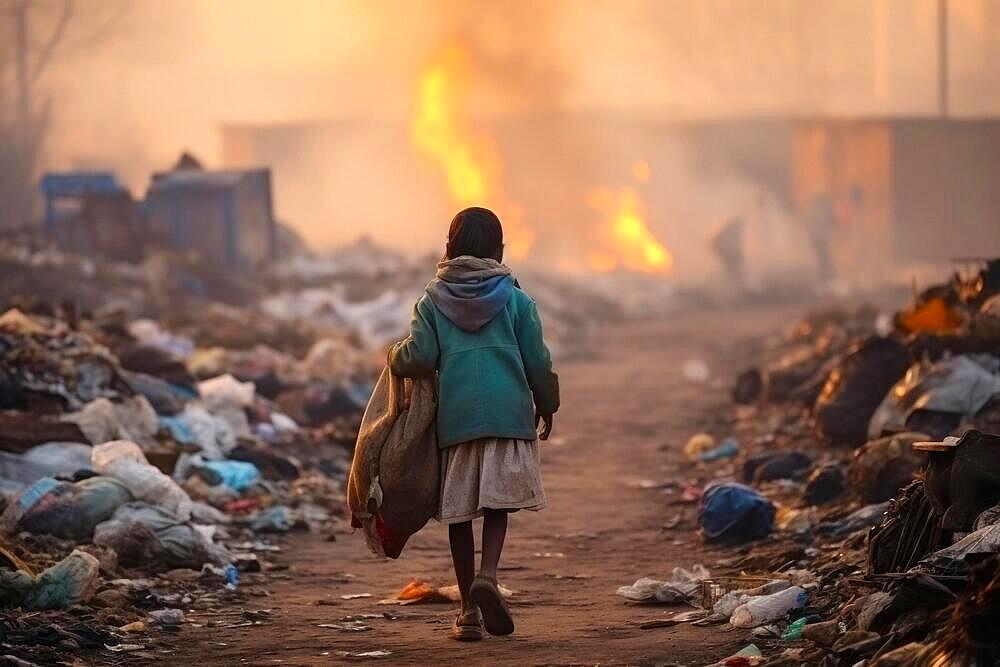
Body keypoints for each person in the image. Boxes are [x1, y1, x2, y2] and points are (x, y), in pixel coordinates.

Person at [389, 206, 560, 641]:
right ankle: (489, 574)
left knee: (460, 514)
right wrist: (548, 401)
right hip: (508, 416)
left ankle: (467, 610)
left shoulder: (431, 301)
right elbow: (537, 360)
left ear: (448, 247)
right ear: (499, 250)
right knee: (496, 504)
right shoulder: (518, 300)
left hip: (458, 420)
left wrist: (394, 355)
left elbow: (420, 356)